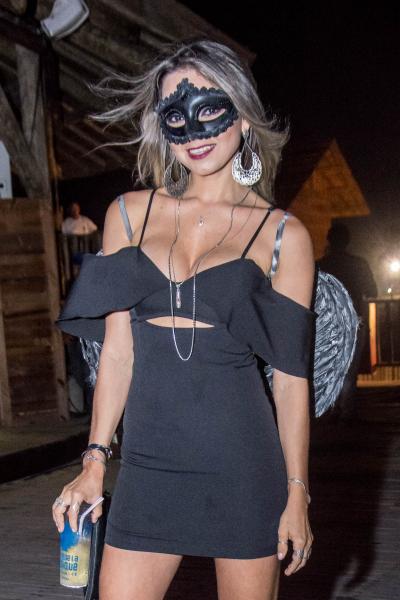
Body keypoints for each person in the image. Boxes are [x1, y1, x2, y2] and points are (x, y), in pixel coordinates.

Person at [52, 38, 316, 600]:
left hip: (244, 469)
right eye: (175, 115)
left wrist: (297, 491)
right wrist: (95, 461)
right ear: (161, 126)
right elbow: (117, 353)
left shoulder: (282, 236)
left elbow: (291, 380)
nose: (194, 130)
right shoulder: (128, 214)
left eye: (209, 109)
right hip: (148, 467)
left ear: (242, 114)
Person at [317, 223, 377, 421]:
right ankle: (346, 411)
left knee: (330, 366)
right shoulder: (359, 264)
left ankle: (332, 408)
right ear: (347, 241)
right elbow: (372, 292)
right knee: (349, 370)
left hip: (328, 322)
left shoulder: (320, 265)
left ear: (329, 240)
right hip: (354, 320)